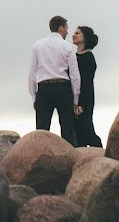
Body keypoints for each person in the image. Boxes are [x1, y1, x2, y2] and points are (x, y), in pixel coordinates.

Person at [28, 15, 81, 145]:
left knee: (42, 130)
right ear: (61, 27)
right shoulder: (68, 47)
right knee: (67, 129)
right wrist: (75, 100)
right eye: (66, 28)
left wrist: (34, 97)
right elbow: (75, 76)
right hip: (63, 88)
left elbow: (32, 74)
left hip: (44, 88)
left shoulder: (38, 46)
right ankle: (70, 161)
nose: (68, 31)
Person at [72, 25, 103, 147]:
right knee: (76, 131)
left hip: (84, 98)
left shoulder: (88, 57)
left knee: (86, 128)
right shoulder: (73, 56)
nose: (73, 35)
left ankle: (100, 152)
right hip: (73, 98)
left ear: (85, 37)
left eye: (77, 33)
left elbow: (86, 82)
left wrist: (80, 103)